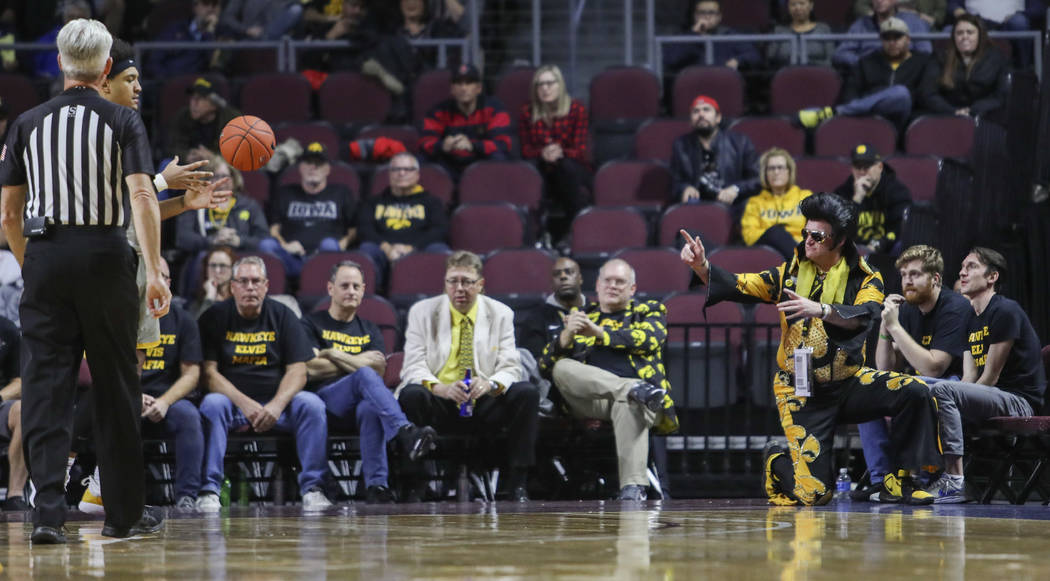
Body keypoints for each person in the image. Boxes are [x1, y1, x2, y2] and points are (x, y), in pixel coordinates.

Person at [0, 18, 170, 543]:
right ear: (105, 68)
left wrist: (35, 266)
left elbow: (8, 214)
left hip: (47, 256)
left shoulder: (26, 122)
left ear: (59, 63)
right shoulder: (122, 121)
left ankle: (47, 513)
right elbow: (142, 197)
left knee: (47, 390)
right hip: (105, 255)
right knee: (118, 387)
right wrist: (156, 268)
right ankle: (122, 513)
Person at [680, 193, 941, 506]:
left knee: (915, 389)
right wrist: (702, 266)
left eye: (817, 236)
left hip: (848, 381)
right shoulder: (788, 274)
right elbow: (740, 284)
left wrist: (821, 309)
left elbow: (865, 315)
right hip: (801, 391)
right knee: (816, 495)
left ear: (840, 240)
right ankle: (776, 461)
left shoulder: (866, 277)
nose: (808, 240)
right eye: (805, 233)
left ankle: (903, 479)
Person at [396, 251, 540, 501]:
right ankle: (413, 484)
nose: (459, 288)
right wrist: (441, 388)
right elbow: (412, 366)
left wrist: (489, 384)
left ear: (481, 285)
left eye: (467, 281)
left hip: (483, 399)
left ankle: (518, 482)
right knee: (411, 394)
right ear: (445, 283)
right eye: (452, 281)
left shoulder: (501, 313)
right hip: (440, 400)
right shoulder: (422, 312)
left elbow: (511, 367)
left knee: (526, 392)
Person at [196, 256, 332, 511]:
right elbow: (208, 374)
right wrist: (246, 404)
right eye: (243, 281)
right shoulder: (214, 317)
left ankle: (313, 488)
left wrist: (277, 406)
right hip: (233, 405)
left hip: (277, 404)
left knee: (312, 404)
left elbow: (298, 371)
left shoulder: (283, 315)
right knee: (212, 404)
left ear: (266, 286)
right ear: (232, 286)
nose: (250, 287)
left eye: (256, 281)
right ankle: (209, 490)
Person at [538, 259, 680, 501]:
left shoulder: (649, 311)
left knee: (629, 403)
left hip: (646, 404)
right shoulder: (582, 317)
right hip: (592, 402)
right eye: (608, 281)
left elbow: (648, 339)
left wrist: (600, 333)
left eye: (620, 281)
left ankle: (632, 489)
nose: (613, 286)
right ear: (598, 285)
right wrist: (566, 335)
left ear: (632, 289)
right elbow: (545, 367)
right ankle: (634, 388)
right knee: (562, 367)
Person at [303, 261, 437, 503]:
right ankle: (405, 432)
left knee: (370, 407)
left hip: (359, 406)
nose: (351, 291)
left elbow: (379, 367)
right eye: (344, 285)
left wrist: (333, 354)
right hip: (323, 403)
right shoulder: (311, 323)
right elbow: (310, 367)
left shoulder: (369, 329)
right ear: (330, 288)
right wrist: (358, 361)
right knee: (363, 376)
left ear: (364, 290)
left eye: (356, 286)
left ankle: (377, 487)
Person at [921, 248, 1047, 502]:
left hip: (1019, 401)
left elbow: (990, 377)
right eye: (962, 267)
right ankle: (913, 474)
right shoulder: (970, 318)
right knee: (916, 385)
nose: (962, 272)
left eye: (972, 267)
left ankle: (954, 480)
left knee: (942, 390)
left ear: (992, 277)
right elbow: (969, 378)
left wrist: (956, 399)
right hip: (990, 395)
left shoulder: (1006, 311)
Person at [851, 245, 971, 501]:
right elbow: (885, 368)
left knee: (926, 386)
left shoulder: (955, 307)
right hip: (921, 384)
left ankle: (929, 477)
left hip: (957, 387)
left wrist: (895, 327)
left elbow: (934, 367)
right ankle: (883, 480)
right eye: (904, 275)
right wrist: (886, 325)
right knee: (867, 392)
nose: (907, 281)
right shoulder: (908, 309)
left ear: (935, 278)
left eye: (915, 274)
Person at [135, 258, 206, 510]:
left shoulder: (183, 320)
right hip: (130, 397)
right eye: (147, 276)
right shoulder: (124, 315)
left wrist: (165, 401)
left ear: (168, 284)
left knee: (189, 416)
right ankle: (122, 496)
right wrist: (134, 395)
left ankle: (187, 495)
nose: (154, 282)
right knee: (116, 415)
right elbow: (114, 367)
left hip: (170, 400)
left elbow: (191, 374)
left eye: (161, 277)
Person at [802, 17, 933, 129]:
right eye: (887, 38)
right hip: (868, 117)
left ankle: (835, 113)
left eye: (897, 37)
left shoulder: (922, 61)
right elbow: (850, 95)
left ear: (908, 39)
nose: (892, 43)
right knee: (807, 113)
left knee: (901, 93)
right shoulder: (867, 62)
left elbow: (925, 96)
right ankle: (830, 114)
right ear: (881, 40)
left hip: (903, 119)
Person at [519, 65, 592, 247]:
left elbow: (580, 150)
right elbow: (526, 149)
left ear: (560, 85)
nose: (545, 88)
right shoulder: (527, 112)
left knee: (565, 166)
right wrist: (542, 153)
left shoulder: (576, 109)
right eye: (540, 84)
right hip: (542, 167)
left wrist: (560, 152)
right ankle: (535, 233)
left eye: (550, 83)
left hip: (573, 168)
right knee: (530, 170)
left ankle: (574, 230)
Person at [262, 142, 358, 278]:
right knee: (267, 245)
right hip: (291, 258)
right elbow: (274, 230)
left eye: (318, 164)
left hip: (326, 258)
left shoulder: (341, 193)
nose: (313, 167)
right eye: (308, 163)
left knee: (329, 244)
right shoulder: (285, 193)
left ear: (328, 169)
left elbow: (353, 230)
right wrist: (285, 246)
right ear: (300, 168)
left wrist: (342, 244)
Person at [356, 152, 450, 283]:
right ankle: (368, 297)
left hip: (420, 250)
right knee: (365, 250)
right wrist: (387, 248)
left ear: (417, 174)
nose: (401, 173)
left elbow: (440, 230)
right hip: (383, 251)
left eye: (407, 169)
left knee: (440, 251)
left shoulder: (432, 202)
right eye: (396, 169)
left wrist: (411, 248)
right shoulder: (373, 202)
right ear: (389, 174)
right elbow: (364, 230)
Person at [419, 63, 512, 180]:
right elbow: (424, 142)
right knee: (421, 160)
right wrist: (442, 145)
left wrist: (472, 146)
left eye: (469, 83)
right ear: (452, 89)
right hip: (450, 162)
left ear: (479, 88)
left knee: (499, 158)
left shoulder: (495, 108)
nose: (463, 88)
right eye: (458, 83)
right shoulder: (438, 111)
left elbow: (503, 144)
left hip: (481, 161)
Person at [669, 95, 759, 212]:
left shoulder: (740, 143)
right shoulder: (681, 145)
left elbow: (757, 179)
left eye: (706, 110)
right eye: (696, 111)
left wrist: (736, 189)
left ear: (718, 118)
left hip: (734, 205)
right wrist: (684, 188)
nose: (701, 114)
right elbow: (674, 182)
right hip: (697, 207)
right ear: (691, 120)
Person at [175, 153, 269, 254]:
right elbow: (182, 238)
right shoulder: (195, 204)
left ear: (234, 179)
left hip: (241, 256)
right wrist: (211, 240)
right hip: (206, 257)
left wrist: (240, 241)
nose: (221, 181)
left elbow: (263, 239)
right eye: (216, 176)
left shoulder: (249, 205)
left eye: (225, 176)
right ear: (207, 181)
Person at [920, 14, 1008, 119]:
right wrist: (953, 111)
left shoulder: (996, 58)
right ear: (954, 37)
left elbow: (1001, 95)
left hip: (986, 116)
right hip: (947, 116)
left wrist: (974, 110)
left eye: (970, 32)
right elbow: (928, 93)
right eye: (959, 33)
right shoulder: (940, 57)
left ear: (980, 35)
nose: (964, 36)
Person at [832, 144, 912, 255]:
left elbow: (899, 229)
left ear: (880, 167)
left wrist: (876, 246)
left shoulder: (897, 192)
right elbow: (839, 230)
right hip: (852, 254)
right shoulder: (842, 193)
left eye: (867, 167)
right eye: (857, 167)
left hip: (886, 253)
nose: (861, 172)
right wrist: (856, 200)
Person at [740, 148, 813, 260]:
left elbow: (814, 230)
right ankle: (804, 266)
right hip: (767, 253)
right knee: (775, 233)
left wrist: (787, 236)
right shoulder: (755, 203)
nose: (776, 172)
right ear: (765, 173)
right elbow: (749, 236)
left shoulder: (805, 197)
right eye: (771, 168)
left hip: (800, 247)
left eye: (780, 167)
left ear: (789, 171)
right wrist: (776, 233)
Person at [662, 0, 761, 74]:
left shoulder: (729, 35)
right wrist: (694, 34)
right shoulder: (685, 37)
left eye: (712, 13)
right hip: (694, 86)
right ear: (695, 16)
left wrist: (738, 60)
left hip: (722, 84)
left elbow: (754, 55)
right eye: (702, 13)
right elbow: (671, 59)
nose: (707, 16)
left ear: (719, 17)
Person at [517, 257, 586, 359]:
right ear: (551, 283)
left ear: (580, 278)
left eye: (569, 272)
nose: (563, 276)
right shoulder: (535, 319)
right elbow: (534, 365)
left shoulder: (597, 310)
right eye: (557, 274)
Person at [833, 0, 932, 68]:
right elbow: (840, 54)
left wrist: (905, 64)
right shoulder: (861, 25)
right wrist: (865, 64)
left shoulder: (913, 21)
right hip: (870, 78)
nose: (879, 1)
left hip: (904, 74)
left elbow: (926, 52)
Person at [148, 0, 230, 78]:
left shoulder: (225, 34)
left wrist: (209, 33)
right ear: (195, 7)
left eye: (215, 4)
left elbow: (216, 65)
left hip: (200, 85)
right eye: (206, 3)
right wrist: (164, 79)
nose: (210, 9)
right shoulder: (175, 29)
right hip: (168, 82)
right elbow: (154, 60)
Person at [166, 77, 242, 161]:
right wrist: (187, 156)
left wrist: (214, 157)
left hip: (221, 166)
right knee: (166, 163)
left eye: (200, 98)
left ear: (214, 104)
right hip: (190, 165)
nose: (193, 103)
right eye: (192, 98)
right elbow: (171, 148)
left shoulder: (232, 119)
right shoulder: (182, 117)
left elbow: (238, 152)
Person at [0, 314, 27, 511]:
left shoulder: (6, 329)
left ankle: (15, 496)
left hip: (1, 403)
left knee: (24, 411)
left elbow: (19, 381)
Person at [767, 0, 835, 67]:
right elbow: (770, 57)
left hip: (818, 72)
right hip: (786, 73)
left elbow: (831, 58)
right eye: (793, 4)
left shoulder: (824, 29)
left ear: (811, 6)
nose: (798, 8)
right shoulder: (779, 30)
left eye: (802, 3)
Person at [189, 246, 236, 318]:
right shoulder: (196, 303)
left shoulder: (239, 300)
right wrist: (209, 297)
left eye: (223, 266)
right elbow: (199, 327)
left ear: (232, 269)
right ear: (206, 269)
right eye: (213, 265)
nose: (217, 270)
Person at [220, 0, 302, 40]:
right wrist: (246, 29)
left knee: (296, 9)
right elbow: (227, 17)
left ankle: (266, 37)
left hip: (277, 41)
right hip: (251, 39)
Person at [855, 0, 947, 28]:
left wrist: (917, 16)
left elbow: (939, 18)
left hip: (919, 26)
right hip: (882, 25)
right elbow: (860, 5)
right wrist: (877, 17)